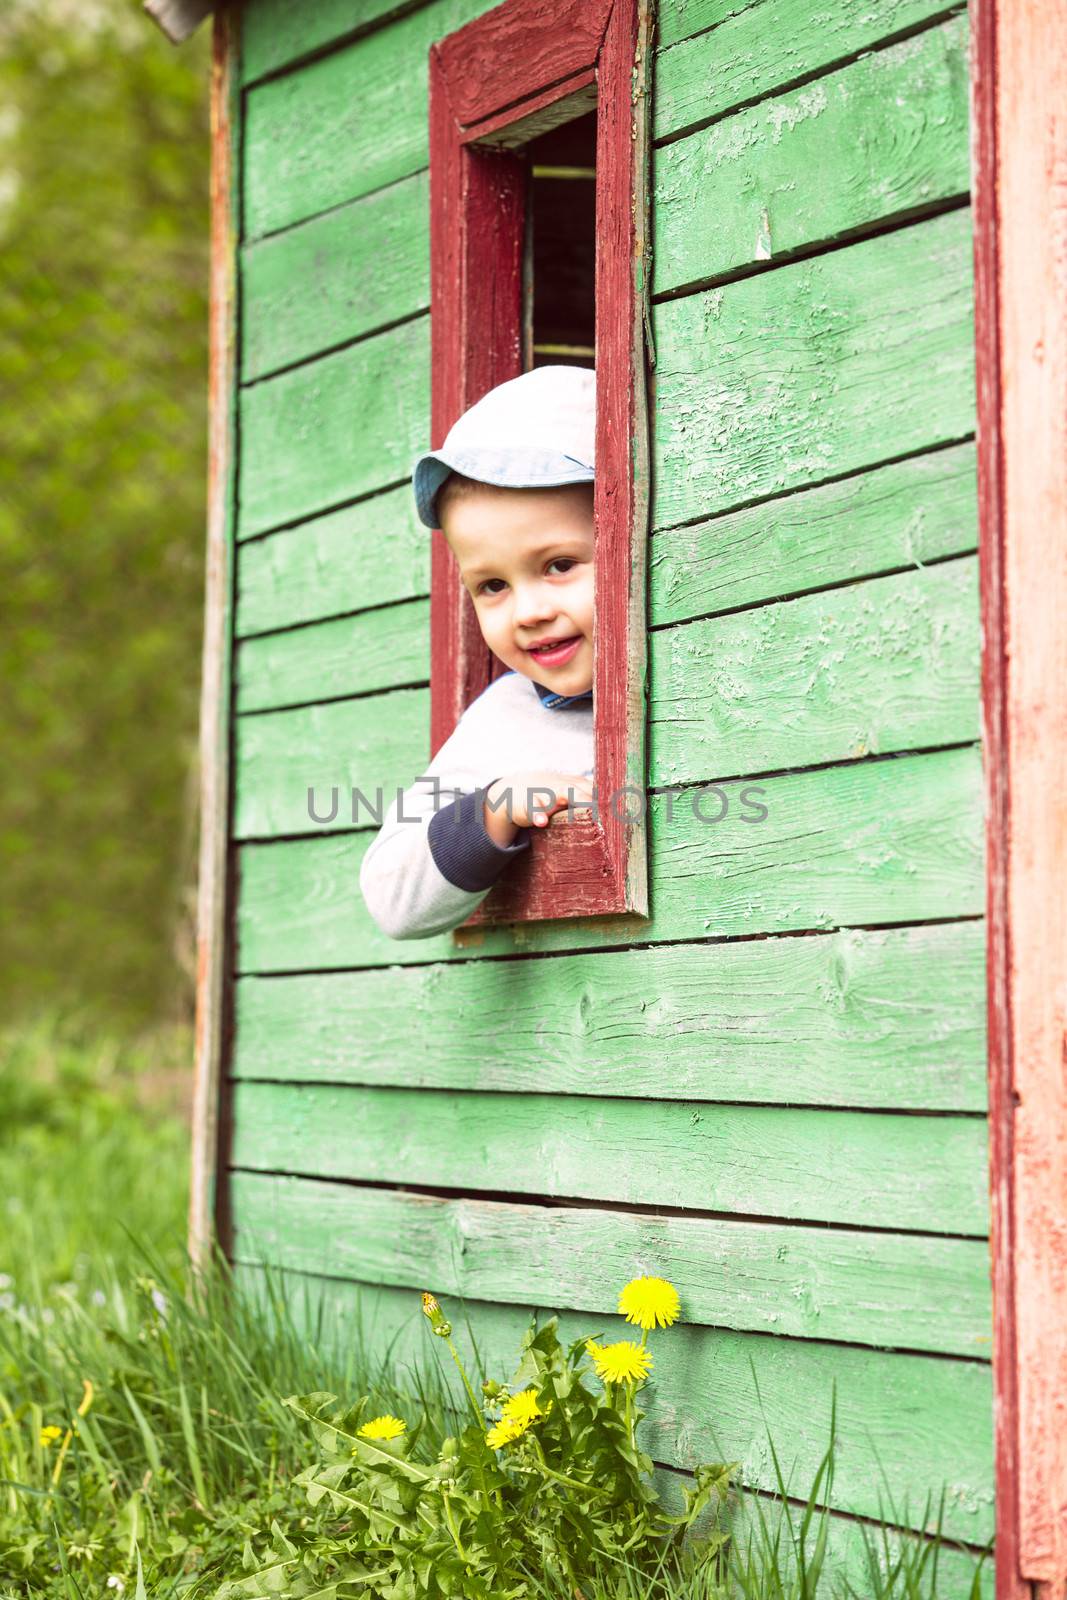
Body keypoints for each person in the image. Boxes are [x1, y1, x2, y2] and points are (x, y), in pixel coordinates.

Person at [358, 364, 597, 940]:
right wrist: (496, 806)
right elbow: (391, 894)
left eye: (559, 565)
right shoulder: (508, 720)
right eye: (493, 586)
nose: (528, 611)